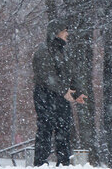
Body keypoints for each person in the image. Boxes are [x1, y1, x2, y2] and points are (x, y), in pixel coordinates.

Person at [32, 19, 87, 166]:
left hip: (61, 97)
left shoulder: (64, 52)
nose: (67, 34)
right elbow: (47, 76)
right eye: (64, 31)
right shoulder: (43, 51)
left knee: (64, 130)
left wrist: (78, 92)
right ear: (56, 33)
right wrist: (64, 91)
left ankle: (64, 164)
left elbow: (71, 74)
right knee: (45, 129)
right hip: (45, 95)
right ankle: (40, 164)